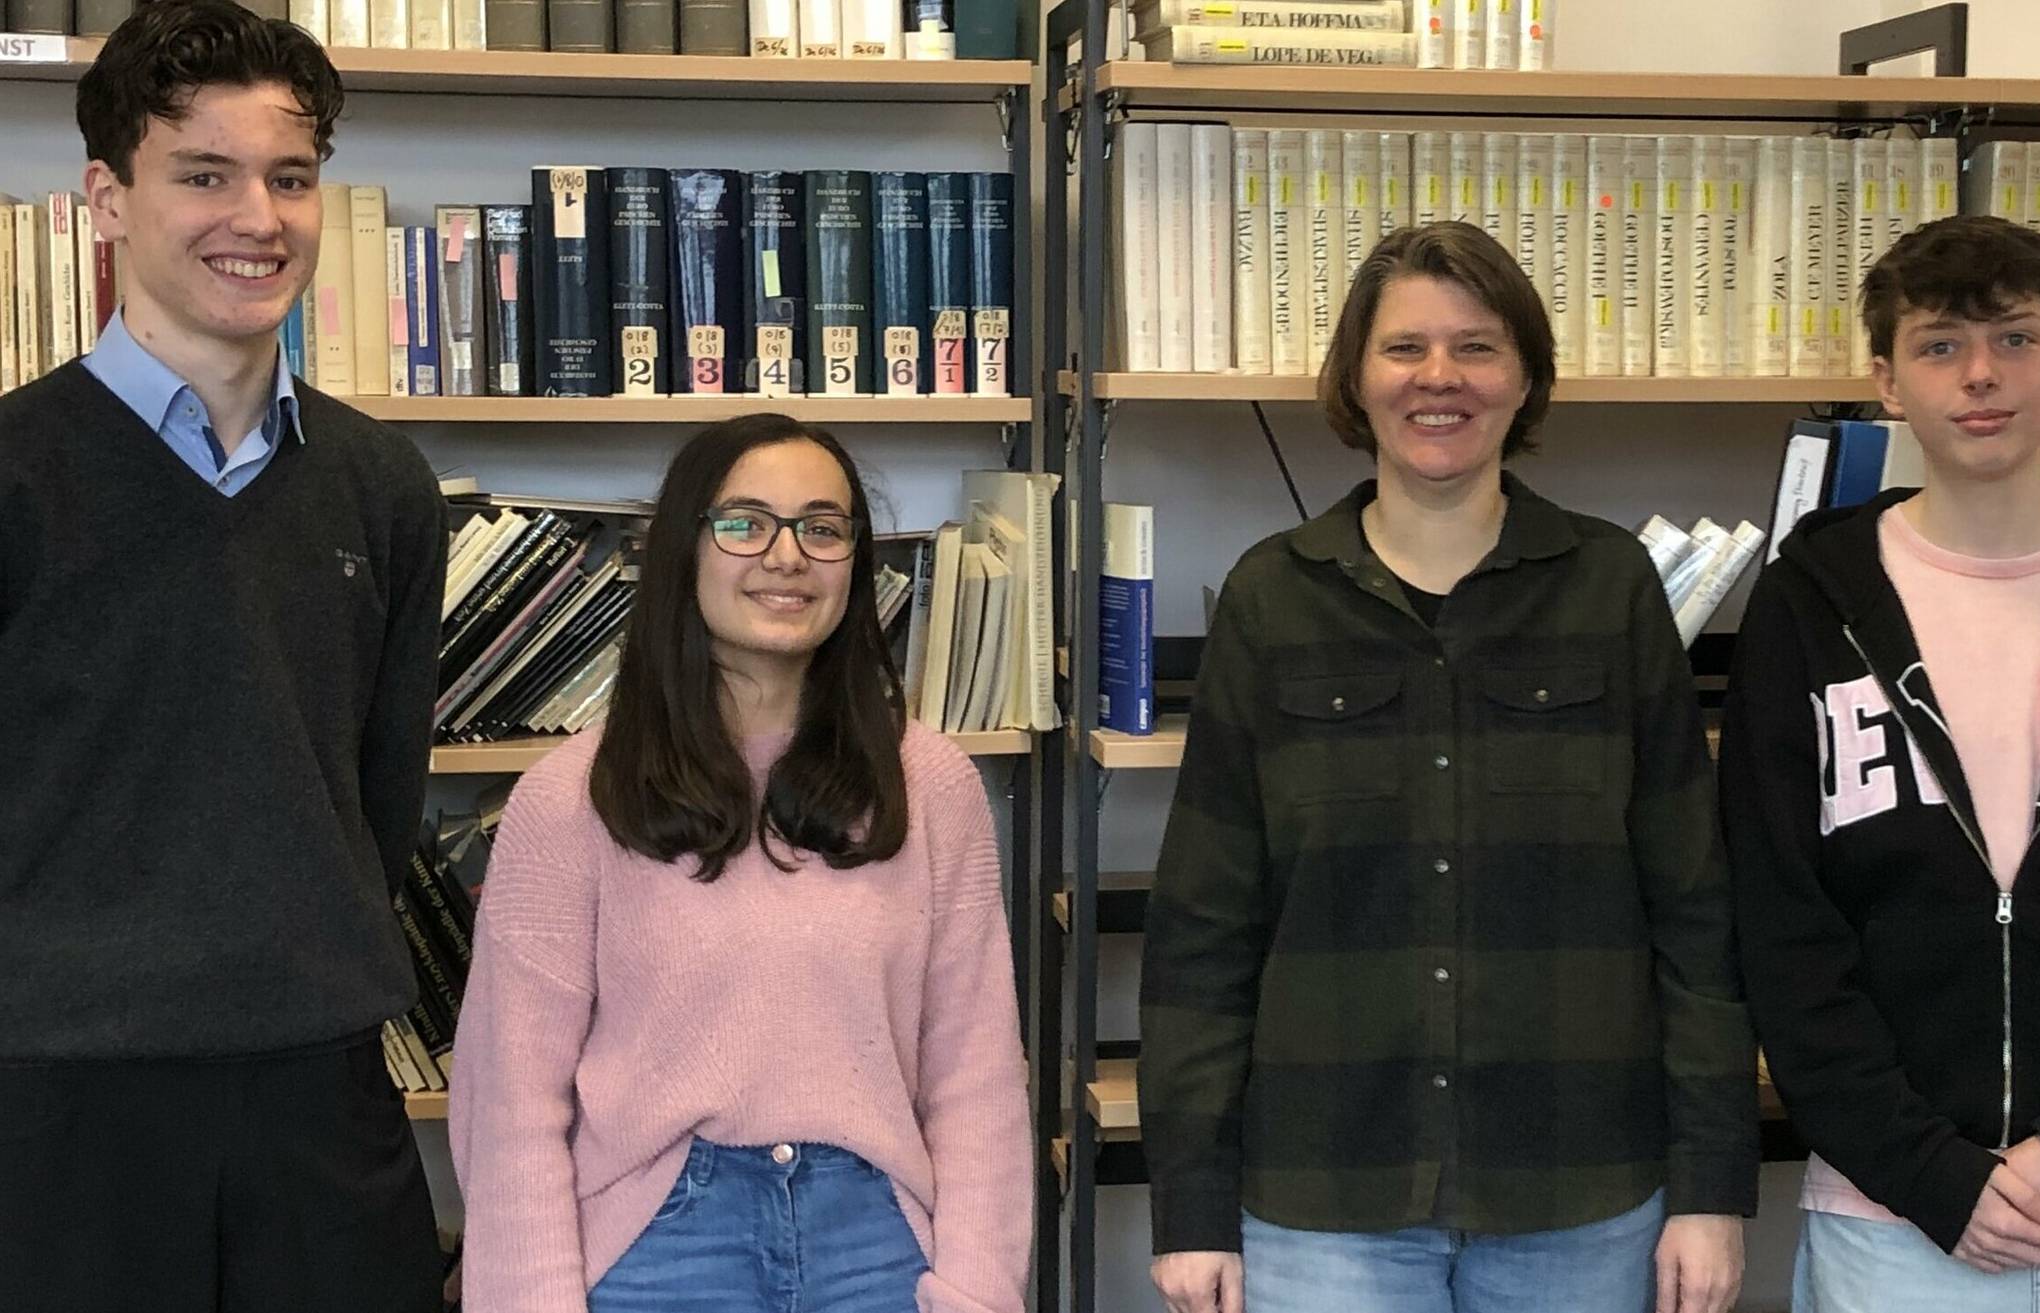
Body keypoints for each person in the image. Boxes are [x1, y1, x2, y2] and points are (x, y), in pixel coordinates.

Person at [1140, 221, 1761, 1313]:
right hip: (1322, 1195)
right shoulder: (1270, 597)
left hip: (1583, 1190)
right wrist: (1191, 1204)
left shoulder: (1610, 589)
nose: (1440, 378)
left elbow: (1696, 916)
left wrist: (1713, 1188)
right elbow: (1203, 929)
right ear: (1355, 377)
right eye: (1405, 347)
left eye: (1476, 347)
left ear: (1524, 378)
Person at [0, 3, 448, 1310]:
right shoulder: (14, 474)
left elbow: (380, 795)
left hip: (323, 1099)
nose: (256, 217)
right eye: (204, 173)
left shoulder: (384, 488)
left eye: (290, 178)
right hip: (56, 1108)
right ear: (106, 198)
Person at [447, 413, 1032, 1313]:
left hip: (878, 1244)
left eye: (822, 527)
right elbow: (512, 1108)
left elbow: (976, 1072)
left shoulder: (932, 786)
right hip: (655, 1246)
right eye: (744, 522)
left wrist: (979, 1289)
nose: (786, 556)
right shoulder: (569, 800)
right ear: (684, 549)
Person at [1724, 213, 2040, 1310]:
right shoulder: (1807, 608)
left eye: (2017, 338)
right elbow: (1780, 924)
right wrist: (1933, 1173)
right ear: (1887, 380)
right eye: (1940, 345)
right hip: (1891, 1222)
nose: (1981, 375)